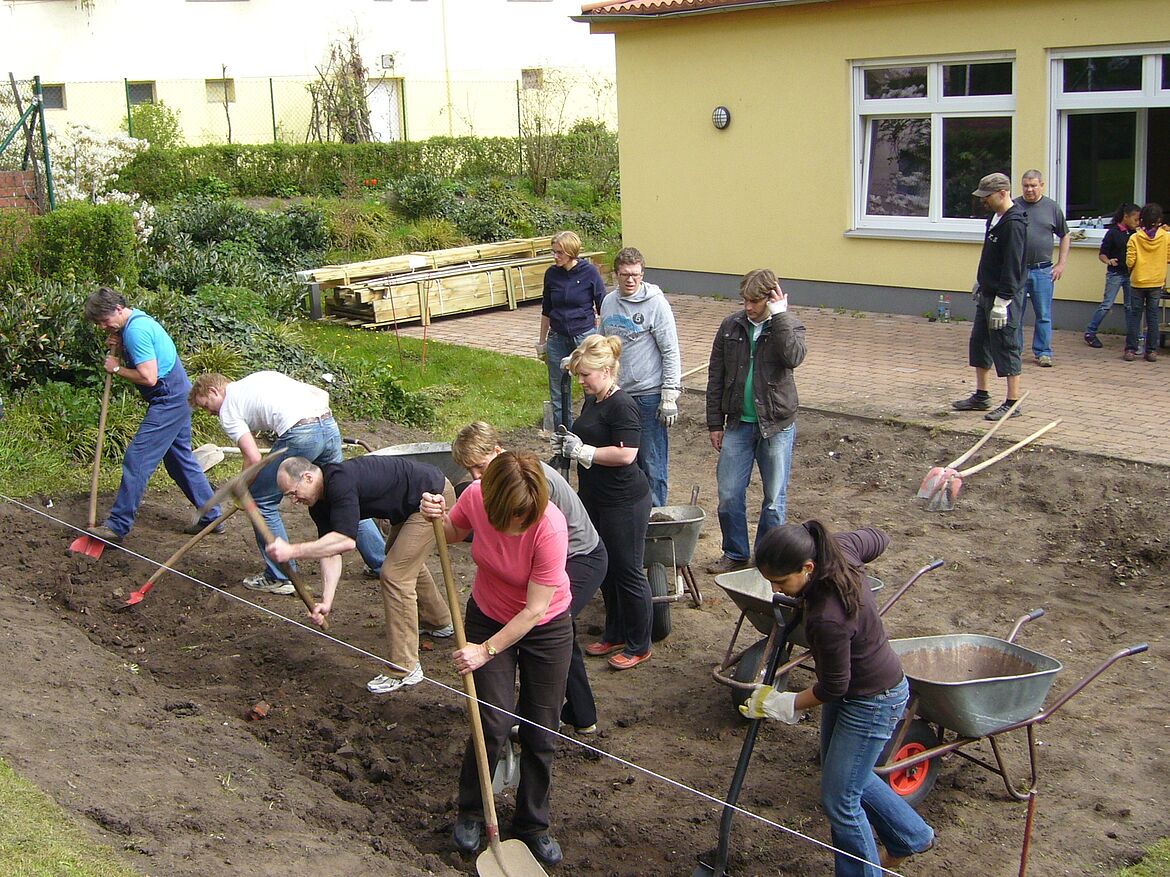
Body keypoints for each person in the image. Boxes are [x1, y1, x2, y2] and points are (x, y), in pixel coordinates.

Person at [741, 520, 935, 877]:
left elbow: (833, 687)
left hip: (872, 700)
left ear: (808, 567)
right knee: (844, 776)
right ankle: (911, 835)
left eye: (781, 582)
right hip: (859, 688)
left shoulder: (826, 617)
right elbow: (879, 536)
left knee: (840, 800)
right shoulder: (839, 549)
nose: (775, 589)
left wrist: (784, 703)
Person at [420, 452, 573, 868]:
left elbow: (534, 610)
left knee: (542, 729)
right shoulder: (476, 497)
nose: (517, 526)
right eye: (512, 517)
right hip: (488, 614)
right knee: (491, 721)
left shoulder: (549, 526)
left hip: (544, 626)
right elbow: (452, 532)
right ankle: (472, 811)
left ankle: (533, 825)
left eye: (525, 517)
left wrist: (484, 650)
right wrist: (436, 515)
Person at [451, 421, 607, 734]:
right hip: (543, 557)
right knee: (535, 624)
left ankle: (567, 714)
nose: (476, 477)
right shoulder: (491, 487)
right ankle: (548, 713)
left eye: (480, 466)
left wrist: (487, 649)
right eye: (469, 470)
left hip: (579, 555)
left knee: (555, 624)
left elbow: (540, 537)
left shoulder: (530, 482)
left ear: (497, 451)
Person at [269, 454, 455, 694]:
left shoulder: (339, 482)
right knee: (400, 560)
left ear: (307, 477)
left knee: (395, 575)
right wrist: (326, 600)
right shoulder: (318, 504)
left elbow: (346, 541)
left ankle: (405, 668)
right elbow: (331, 550)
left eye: (293, 493)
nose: (294, 501)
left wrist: (293, 550)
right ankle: (438, 622)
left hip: (432, 497)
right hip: (410, 505)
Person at [189, 371, 385, 594]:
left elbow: (253, 457)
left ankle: (280, 576)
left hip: (301, 433)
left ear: (213, 391)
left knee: (261, 502)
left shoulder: (228, 408)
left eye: (206, 405)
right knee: (343, 495)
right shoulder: (255, 380)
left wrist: (244, 489)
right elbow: (317, 392)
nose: (210, 413)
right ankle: (381, 563)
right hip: (328, 424)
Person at [82, 286, 222, 544]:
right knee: (179, 461)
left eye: (104, 320)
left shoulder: (136, 330)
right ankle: (212, 514)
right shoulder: (133, 324)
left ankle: (117, 526)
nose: (102, 326)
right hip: (178, 394)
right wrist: (119, 342)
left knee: (138, 459)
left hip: (169, 399)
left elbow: (149, 377)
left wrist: (116, 369)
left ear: (118, 309)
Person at [556, 334, 654, 670]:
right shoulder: (595, 400)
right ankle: (615, 633)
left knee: (628, 570)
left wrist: (583, 451)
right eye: (579, 375)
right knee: (607, 568)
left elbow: (627, 454)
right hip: (595, 497)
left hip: (624, 501)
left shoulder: (622, 405)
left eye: (586, 374)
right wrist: (570, 443)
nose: (581, 381)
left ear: (607, 371)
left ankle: (640, 643)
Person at [704, 269, 806, 575]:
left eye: (755, 301)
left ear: (771, 298)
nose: (748, 307)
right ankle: (735, 552)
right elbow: (716, 376)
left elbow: (793, 358)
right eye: (745, 300)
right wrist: (714, 423)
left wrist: (780, 316)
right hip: (738, 423)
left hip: (776, 424)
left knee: (774, 499)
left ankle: (767, 558)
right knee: (729, 494)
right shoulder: (730, 326)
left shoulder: (788, 325)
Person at [599, 246, 682, 507]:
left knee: (652, 461)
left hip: (648, 396)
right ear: (616, 275)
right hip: (616, 394)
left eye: (635, 275)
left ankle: (656, 514)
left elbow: (670, 350)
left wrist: (669, 394)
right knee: (622, 458)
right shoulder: (608, 302)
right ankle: (629, 512)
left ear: (642, 274)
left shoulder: (656, 304)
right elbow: (602, 344)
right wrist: (581, 359)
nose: (630, 280)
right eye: (625, 275)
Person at [952, 173, 1028, 423]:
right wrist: (981, 281)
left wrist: (1003, 301)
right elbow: (990, 256)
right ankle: (982, 395)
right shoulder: (994, 218)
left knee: (1006, 345)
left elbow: (1013, 265)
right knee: (980, 342)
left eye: (987, 196)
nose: (983, 201)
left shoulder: (1014, 223)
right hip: (987, 292)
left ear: (1003, 193)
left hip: (1004, 298)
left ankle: (1012, 403)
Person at [537, 230, 606, 430]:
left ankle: (591, 431)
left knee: (591, 387)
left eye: (560, 252)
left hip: (583, 336)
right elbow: (546, 309)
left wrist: (602, 340)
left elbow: (603, 306)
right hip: (557, 337)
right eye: (554, 252)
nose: (555, 256)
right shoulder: (551, 274)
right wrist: (542, 342)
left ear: (571, 252)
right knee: (558, 391)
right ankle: (563, 435)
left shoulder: (589, 273)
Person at [1013, 170, 1070, 368]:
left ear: (1041, 185)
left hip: (1043, 270)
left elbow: (1065, 235)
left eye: (1033, 186)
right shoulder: (1014, 206)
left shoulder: (1051, 207)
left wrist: (1061, 264)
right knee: (1015, 313)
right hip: (1018, 270)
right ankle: (1014, 351)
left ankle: (1043, 352)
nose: (1029, 190)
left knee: (1043, 314)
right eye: (1026, 186)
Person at [1084, 203, 1140, 348]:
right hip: (1115, 273)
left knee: (1130, 306)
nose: (1137, 222)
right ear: (1125, 217)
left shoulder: (1135, 234)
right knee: (1107, 305)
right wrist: (1108, 261)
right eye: (1135, 219)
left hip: (1130, 274)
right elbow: (1102, 254)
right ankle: (1090, 332)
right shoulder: (1113, 233)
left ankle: (1134, 336)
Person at [1124, 202, 1168, 363]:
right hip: (1156, 281)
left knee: (1135, 316)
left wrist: (1132, 271)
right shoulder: (1166, 236)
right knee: (1153, 316)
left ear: (1142, 219)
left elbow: (1130, 261)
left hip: (1138, 281)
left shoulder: (1135, 237)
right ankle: (1151, 351)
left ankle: (1131, 349)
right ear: (1159, 220)